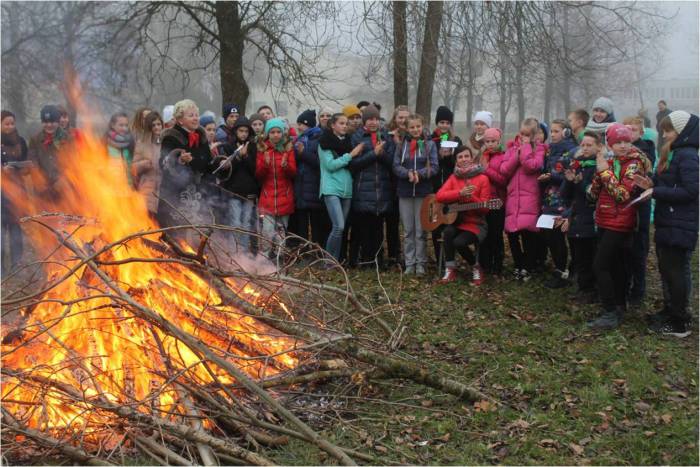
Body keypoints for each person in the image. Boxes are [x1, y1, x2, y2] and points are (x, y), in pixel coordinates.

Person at [635, 111, 697, 338]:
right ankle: (670, 310)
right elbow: (672, 181)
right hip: (669, 219)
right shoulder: (675, 153)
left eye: (668, 130)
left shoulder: (688, 155)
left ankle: (679, 323)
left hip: (679, 222)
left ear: (682, 132)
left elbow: (691, 190)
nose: (664, 134)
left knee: (676, 271)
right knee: (667, 269)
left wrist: (656, 191)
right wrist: (650, 182)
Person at [586, 123, 650, 330]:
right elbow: (592, 194)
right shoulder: (610, 161)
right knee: (615, 265)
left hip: (621, 221)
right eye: (618, 142)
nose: (623, 146)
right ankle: (619, 306)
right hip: (604, 218)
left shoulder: (633, 164)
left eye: (626, 141)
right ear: (610, 144)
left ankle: (610, 310)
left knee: (600, 265)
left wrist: (604, 173)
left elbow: (622, 194)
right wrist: (597, 176)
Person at [157, 99, 216, 239]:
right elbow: (163, 163)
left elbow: (207, 164)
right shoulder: (170, 137)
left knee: (198, 236)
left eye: (197, 114)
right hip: (175, 195)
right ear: (180, 120)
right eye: (191, 115)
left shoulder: (201, 137)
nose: (196, 118)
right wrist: (179, 160)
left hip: (198, 195)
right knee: (176, 236)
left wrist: (223, 163)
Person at [498, 117, 546, 282]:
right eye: (522, 133)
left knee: (528, 234)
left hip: (530, 197)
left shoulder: (539, 149)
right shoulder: (512, 149)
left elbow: (532, 166)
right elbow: (504, 169)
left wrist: (525, 149)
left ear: (534, 135)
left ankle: (527, 266)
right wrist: (517, 154)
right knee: (512, 234)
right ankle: (518, 264)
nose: (523, 137)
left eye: (527, 134)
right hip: (514, 197)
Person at [436, 145, 491, 286]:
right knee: (447, 232)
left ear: (472, 158)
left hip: (476, 224)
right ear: (456, 160)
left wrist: (471, 197)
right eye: (460, 157)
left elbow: (485, 208)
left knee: (458, 242)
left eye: (466, 156)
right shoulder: (454, 178)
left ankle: (476, 266)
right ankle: (450, 269)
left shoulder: (483, 179)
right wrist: (459, 193)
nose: (464, 159)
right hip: (458, 221)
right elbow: (439, 196)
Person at [349, 104, 395, 268]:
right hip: (363, 189)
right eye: (370, 119)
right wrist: (372, 154)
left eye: (376, 119)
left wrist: (381, 154)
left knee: (378, 229)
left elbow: (392, 163)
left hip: (382, 189)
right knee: (365, 228)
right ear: (364, 121)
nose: (373, 122)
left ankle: (378, 260)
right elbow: (354, 164)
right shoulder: (357, 137)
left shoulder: (386, 137)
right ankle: (367, 259)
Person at [393, 113, 438, 276]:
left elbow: (434, 166)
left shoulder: (430, 145)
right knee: (408, 230)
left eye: (418, 126)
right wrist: (407, 173)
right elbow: (396, 165)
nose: (415, 129)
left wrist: (419, 173)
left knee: (420, 230)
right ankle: (409, 263)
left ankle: (421, 263)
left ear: (423, 126)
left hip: (422, 192)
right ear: (407, 128)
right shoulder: (401, 145)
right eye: (412, 127)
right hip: (405, 192)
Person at [560, 131, 601, 303]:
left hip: (590, 217)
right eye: (583, 145)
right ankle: (582, 288)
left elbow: (593, 194)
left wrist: (579, 182)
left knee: (588, 255)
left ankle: (590, 290)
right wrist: (569, 180)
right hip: (575, 216)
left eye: (589, 145)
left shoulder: (598, 167)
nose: (584, 148)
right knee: (577, 255)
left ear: (598, 147)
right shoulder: (577, 164)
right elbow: (564, 194)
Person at [318, 113, 363, 262]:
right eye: (341, 123)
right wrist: (351, 155)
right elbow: (330, 165)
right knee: (339, 226)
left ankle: (335, 261)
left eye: (346, 123)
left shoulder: (349, 142)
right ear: (333, 125)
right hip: (331, 189)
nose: (344, 126)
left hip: (346, 190)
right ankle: (328, 262)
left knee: (340, 229)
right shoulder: (324, 143)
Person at [538, 119, 578, 288]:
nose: (552, 134)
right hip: (550, 198)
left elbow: (571, 176)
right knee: (549, 235)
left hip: (563, 200)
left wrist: (552, 177)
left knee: (558, 235)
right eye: (552, 131)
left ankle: (564, 271)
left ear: (566, 132)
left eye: (556, 131)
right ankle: (558, 268)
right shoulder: (550, 151)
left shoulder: (572, 151)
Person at [623, 116, 655, 307]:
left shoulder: (646, 148)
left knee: (638, 250)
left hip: (639, 208)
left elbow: (646, 168)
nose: (629, 134)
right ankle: (625, 286)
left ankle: (639, 290)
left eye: (633, 130)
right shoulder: (620, 150)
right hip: (623, 206)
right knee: (624, 250)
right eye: (626, 129)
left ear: (641, 132)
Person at [215, 116, 259, 254]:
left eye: (246, 131)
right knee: (235, 222)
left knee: (246, 223)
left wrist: (245, 156)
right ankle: (235, 252)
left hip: (249, 191)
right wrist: (237, 157)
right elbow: (225, 169)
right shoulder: (228, 146)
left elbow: (254, 169)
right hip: (233, 191)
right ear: (235, 131)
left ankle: (244, 253)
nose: (244, 134)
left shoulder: (253, 147)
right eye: (241, 131)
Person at [288, 109, 330, 252]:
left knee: (317, 225)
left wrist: (303, 153)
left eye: (301, 124)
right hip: (300, 189)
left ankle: (317, 252)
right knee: (302, 226)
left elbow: (320, 163)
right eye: (298, 124)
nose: (299, 127)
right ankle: (303, 252)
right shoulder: (298, 140)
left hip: (314, 189)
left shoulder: (319, 139)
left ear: (309, 125)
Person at [255, 118, 297, 258]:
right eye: (272, 132)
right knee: (266, 232)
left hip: (284, 196)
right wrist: (265, 165)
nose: (276, 135)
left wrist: (286, 166)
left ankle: (279, 261)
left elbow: (293, 173)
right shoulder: (262, 149)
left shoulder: (288, 149)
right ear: (268, 134)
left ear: (282, 133)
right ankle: (263, 261)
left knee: (280, 233)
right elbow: (259, 175)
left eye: (278, 132)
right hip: (267, 197)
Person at [430, 105, 463, 265]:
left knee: (450, 225)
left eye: (447, 122)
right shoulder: (431, 139)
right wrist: (438, 156)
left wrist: (449, 158)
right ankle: (439, 261)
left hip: (451, 191)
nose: (444, 125)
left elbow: (459, 164)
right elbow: (427, 161)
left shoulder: (456, 140)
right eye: (441, 122)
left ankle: (450, 258)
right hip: (435, 190)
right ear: (437, 122)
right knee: (436, 226)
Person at [1, 110, 29, 274]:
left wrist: (24, 167)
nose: (10, 127)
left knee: (16, 229)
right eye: (6, 124)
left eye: (12, 123)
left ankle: (17, 265)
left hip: (17, 191)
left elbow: (26, 162)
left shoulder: (21, 142)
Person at [384, 105, 411, 265]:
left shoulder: (414, 135)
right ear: (395, 119)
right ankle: (394, 254)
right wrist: (395, 144)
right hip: (390, 184)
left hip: (409, 184)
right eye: (400, 117)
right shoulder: (388, 136)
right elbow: (389, 160)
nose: (403, 120)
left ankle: (409, 256)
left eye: (406, 117)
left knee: (408, 223)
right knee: (392, 221)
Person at [480, 127, 507, 276]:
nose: (490, 144)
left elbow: (503, 180)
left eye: (493, 141)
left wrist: (487, 170)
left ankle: (498, 265)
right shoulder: (482, 156)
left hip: (498, 201)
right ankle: (485, 264)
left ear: (499, 141)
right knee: (485, 234)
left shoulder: (503, 157)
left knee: (496, 234)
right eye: (487, 141)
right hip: (483, 201)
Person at [28, 105, 73, 191]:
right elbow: (32, 161)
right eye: (45, 122)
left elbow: (73, 161)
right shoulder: (35, 139)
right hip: (42, 188)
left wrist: (64, 179)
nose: (49, 125)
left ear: (58, 121)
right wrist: (38, 178)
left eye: (52, 122)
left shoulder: (68, 138)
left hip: (63, 187)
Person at [132, 111, 163, 216]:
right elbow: (133, 167)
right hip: (147, 191)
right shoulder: (141, 144)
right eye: (153, 125)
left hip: (164, 192)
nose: (156, 127)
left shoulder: (166, 143)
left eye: (158, 124)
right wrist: (143, 164)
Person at [105, 112, 136, 186]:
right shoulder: (104, 143)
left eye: (126, 125)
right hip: (110, 189)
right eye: (121, 125)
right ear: (112, 125)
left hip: (129, 188)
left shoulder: (131, 143)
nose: (124, 128)